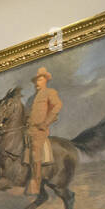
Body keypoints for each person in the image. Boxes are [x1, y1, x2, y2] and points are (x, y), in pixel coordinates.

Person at [26, 66, 62, 195]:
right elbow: (26, 114)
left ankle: (35, 182)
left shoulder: (49, 92)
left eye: (40, 80)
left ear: (45, 80)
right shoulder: (30, 99)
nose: (37, 83)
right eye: (35, 81)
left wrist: (46, 122)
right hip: (27, 129)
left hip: (39, 130)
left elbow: (57, 106)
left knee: (35, 150)